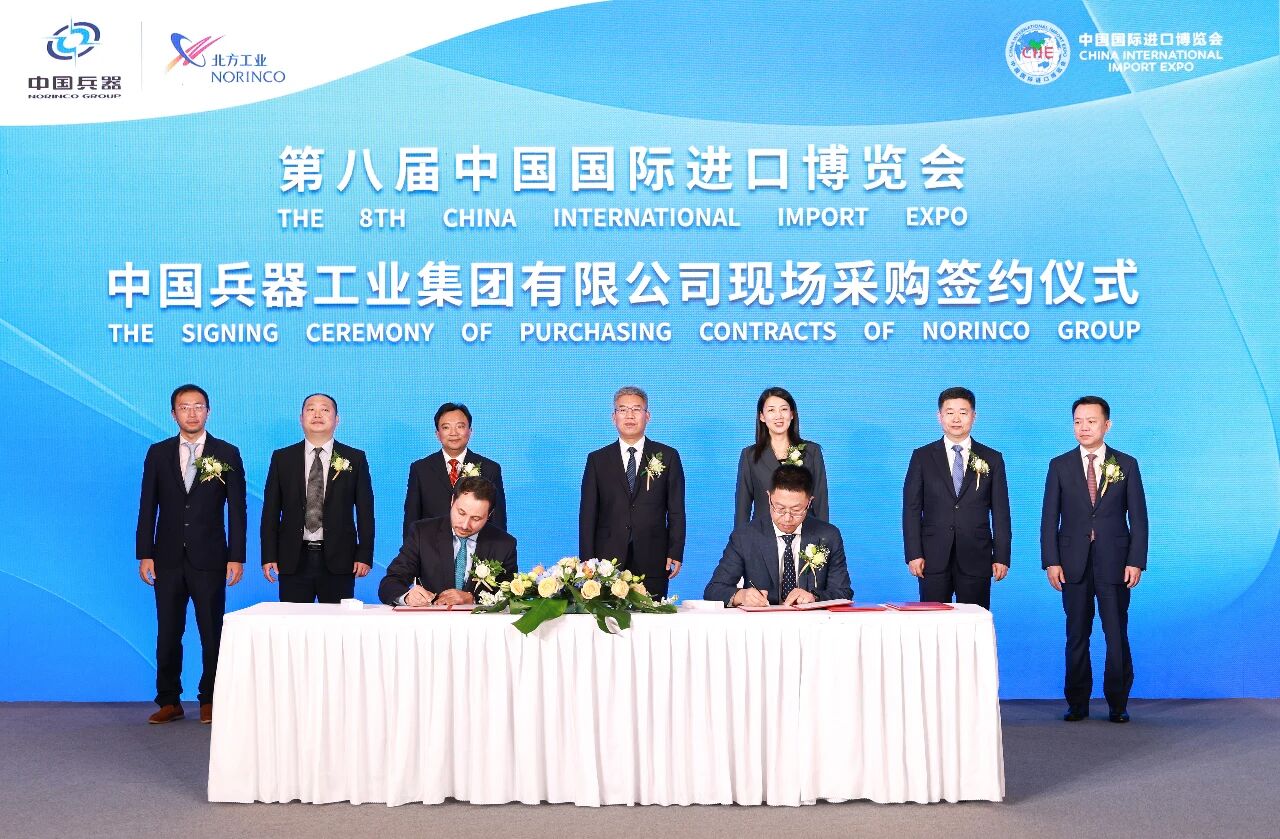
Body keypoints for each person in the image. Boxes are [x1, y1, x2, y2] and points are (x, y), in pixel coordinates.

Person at [135, 384, 246, 724]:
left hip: (210, 557)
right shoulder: (158, 453)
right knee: (168, 630)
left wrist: (236, 556)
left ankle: (211, 698)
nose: (192, 413)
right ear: (174, 414)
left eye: (198, 406)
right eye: (184, 407)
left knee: (211, 631)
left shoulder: (226, 453)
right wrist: (145, 553)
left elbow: (237, 510)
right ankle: (169, 700)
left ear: (208, 411)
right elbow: (147, 505)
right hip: (166, 557)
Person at [1041, 396, 1148, 723]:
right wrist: (1051, 561)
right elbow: (1049, 518)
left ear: (1107, 425)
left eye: (1091, 421)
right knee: (1076, 634)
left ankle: (1118, 703)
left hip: (1115, 562)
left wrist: (1135, 560)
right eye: (1078, 422)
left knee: (1116, 634)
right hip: (1072, 563)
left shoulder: (1126, 464)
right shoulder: (1059, 465)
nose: (1083, 427)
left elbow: (1138, 518)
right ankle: (1077, 702)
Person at [902, 386, 1012, 609]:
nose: (956, 419)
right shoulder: (922, 457)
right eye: (949, 412)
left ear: (974, 416)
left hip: (976, 555)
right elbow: (911, 509)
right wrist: (913, 553)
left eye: (963, 412)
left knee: (974, 622)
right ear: (939, 416)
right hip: (932, 557)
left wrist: (1001, 556)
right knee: (932, 621)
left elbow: (1001, 512)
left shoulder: (992, 458)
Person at [261, 393, 374, 603]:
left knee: (337, 622)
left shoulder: (354, 458)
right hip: (293, 558)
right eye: (311, 409)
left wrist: (364, 554)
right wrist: (269, 554)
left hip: (340, 559)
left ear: (337, 419)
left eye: (325, 409)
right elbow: (270, 511)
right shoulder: (282, 458)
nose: (317, 414)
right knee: (293, 622)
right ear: (301, 418)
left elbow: (365, 511)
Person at [579, 386, 685, 599]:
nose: (629, 416)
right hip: (606, 559)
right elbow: (588, 513)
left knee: (651, 614)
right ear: (614, 417)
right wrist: (587, 558)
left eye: (636, 409)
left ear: (647, 416)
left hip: (653, 556)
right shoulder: (597, 460)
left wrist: (675, 551)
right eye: (623, 410)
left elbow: (676, 510)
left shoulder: (667, 456)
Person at [706, 464, 852, 606]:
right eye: (780, 508)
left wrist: (814, 597)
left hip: (811, 619)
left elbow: (843, 592)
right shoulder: (745, 536)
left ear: (809, 503)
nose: (787, 518)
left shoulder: (828, 536)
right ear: (769, 497)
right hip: (762, 620)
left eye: (796, 510)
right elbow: (714, 590)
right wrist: (741, 596)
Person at [380, 476, 516, 606]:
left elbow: (510, 595)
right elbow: (391, 582)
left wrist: (473, 598)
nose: (465, 525)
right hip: (432, 620)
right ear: (452, 501)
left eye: (476, 518)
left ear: (489, 515)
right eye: (461, 513)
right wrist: (407, 597)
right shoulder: (423, 533)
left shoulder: (504, 544)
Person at [403, 402, 507, 543]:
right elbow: (411, 520)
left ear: (470, 431)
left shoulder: (490, 469)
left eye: (460, 426)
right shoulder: (420, 469)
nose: (453, 433)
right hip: (431, 550)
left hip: (477, 550)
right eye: (446, 427)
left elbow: (498, 522)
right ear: (437, 434)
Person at [734, 386, 829, 528]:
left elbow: (821, 502)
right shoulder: (750, 455)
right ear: (762, 416)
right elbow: (743, 507)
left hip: (805, 534)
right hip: (763, 534)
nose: (778, 416)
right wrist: (740, 539)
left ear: (792, 414)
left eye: (784, 409)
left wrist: (824, 537)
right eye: (771, 410)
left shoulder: (811, 452)